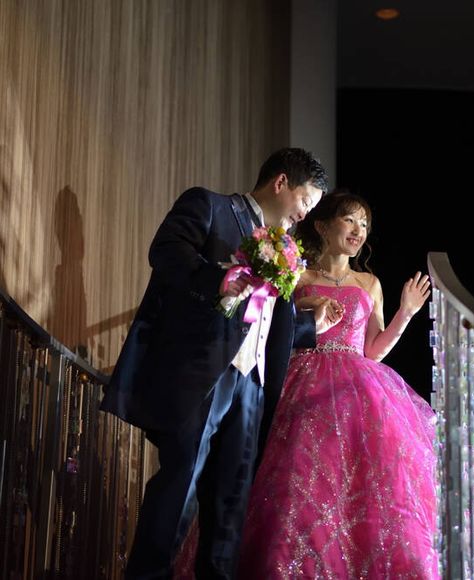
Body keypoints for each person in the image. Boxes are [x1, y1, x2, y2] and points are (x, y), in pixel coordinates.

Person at [100, 148, 343, 579]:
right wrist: (219, 278)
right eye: (305, 201)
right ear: (281, 183)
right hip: (204, 372)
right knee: (181, 487)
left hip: (253, 385)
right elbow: (167, 252)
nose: (305, 214)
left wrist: (309, 326)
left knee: (231, 503)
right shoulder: (210, 207)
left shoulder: (285, 247)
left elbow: (263, 318)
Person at [237, 190, 439, 579]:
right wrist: (308, 308)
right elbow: (274, 328)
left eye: (364, 224)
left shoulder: (370, 283)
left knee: (363, 482)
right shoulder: (299, 275)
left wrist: (406, 313)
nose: (358, 230)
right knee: (301, 477)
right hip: (303, 380)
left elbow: (373, 351)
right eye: (349, 220)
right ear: (322, 225)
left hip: (356, 388)